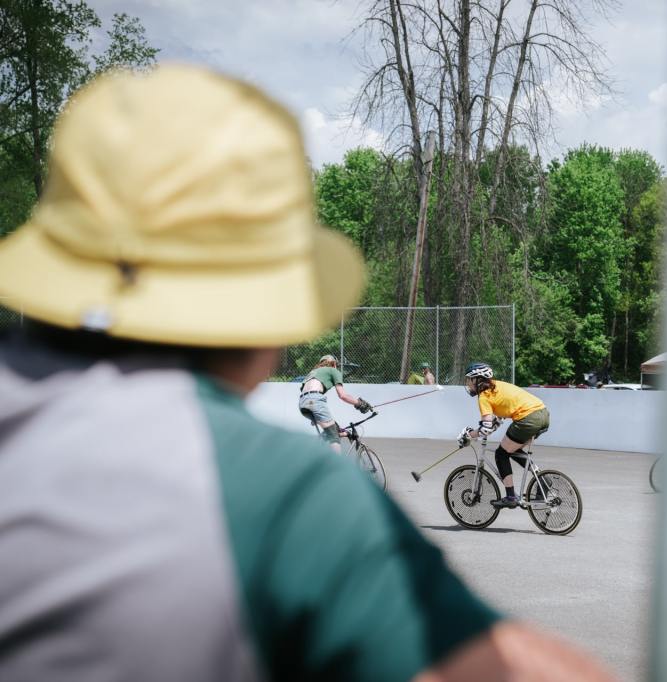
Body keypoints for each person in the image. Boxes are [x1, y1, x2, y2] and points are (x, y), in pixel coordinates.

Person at [0, 65, 613, 682]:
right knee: (361, 442)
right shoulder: (289, 495)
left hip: (502, 420)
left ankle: (504, 487)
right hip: (459, 434)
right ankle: (488, 484)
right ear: (267, 318)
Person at [457, 362, 550, 508]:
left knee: (501, 454)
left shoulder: (484, 397)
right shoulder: (497, 385)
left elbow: (486, 428)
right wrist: (481, 430)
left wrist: (468, 435)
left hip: (528, 419)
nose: (468, 383)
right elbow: (497, 420)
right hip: (543, 413)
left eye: (469, 379)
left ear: (477, 379)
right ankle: (542, 480)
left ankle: (511, 497)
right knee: (512, 450)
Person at [299, 353, 370, 452]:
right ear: (334, 364)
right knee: (333, 436)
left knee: (333, 429)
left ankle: (317, 453)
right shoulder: (333, 370)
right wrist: (359, 403)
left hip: (303, 402)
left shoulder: (313, 373)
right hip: (315, 400)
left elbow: (306, 393)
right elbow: (343, 395)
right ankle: (336, 461)